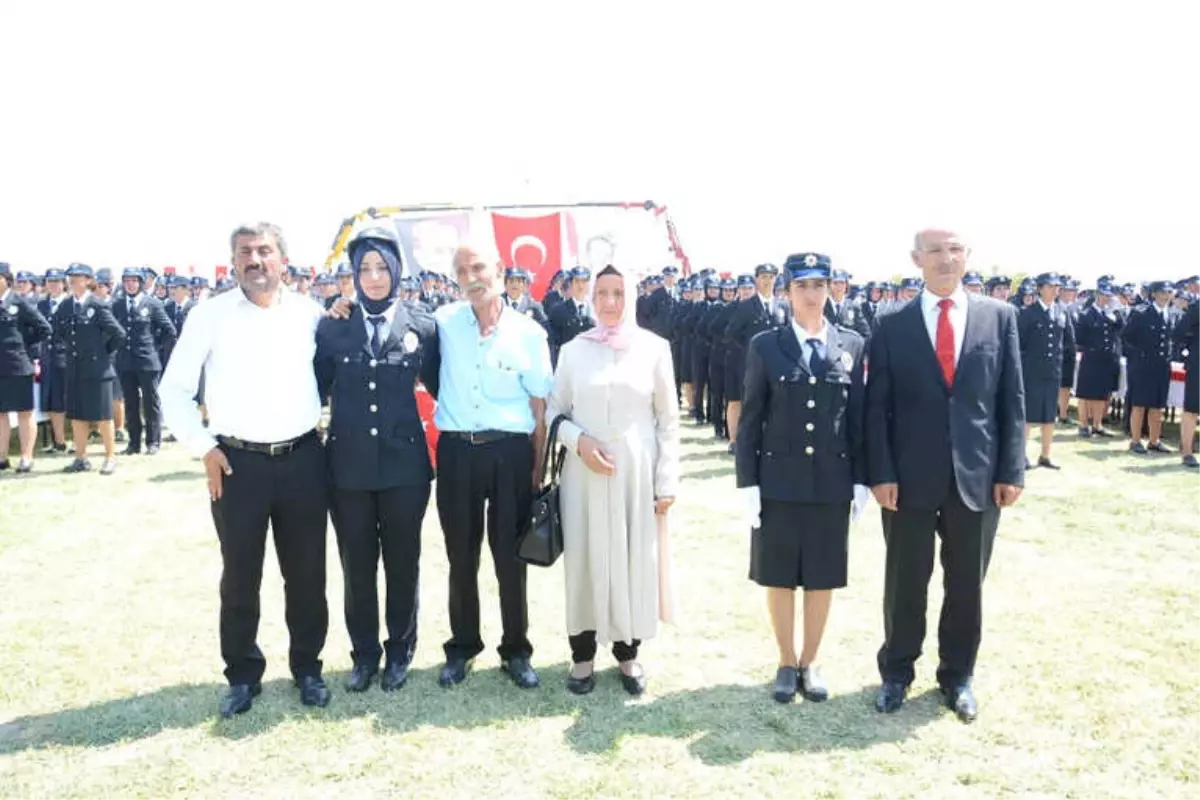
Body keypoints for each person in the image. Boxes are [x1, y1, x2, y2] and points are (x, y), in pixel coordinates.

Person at [161, 222, 331, 718]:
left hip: (303, 460)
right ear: (233, 262)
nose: (255, 260)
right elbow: (174, 390)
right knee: (240, 576)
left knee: (307, 575)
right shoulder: (208, 316)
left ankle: (308, 667)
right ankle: (241, 674)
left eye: (264, 251)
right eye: (245, 253)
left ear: (283, 259)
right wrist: (203, 447)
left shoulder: (310, 314)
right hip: (236, 465)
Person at [866, 228, 1025, 724]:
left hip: (977, 477)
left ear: (966, 257)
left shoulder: (1000, 317)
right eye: (934, 250)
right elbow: (877, 408)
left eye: (954, 249)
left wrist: (1011, 469)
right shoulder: (890, 322)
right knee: (905, 580)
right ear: (916, 259)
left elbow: (1010, 401)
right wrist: (881, 472)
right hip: (908, 478)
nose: (945, 258)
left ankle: (957, 675)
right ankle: (896, 672)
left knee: (966, 585)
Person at [736, 253, 868, 704]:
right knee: (778, 576)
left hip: (831, 482)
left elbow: (858, 418)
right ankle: (786, 660)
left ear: (831, 288)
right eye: (802, 287)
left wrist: (861, 480)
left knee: (821, 576)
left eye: (819, 285)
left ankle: (811, 660)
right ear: (787, 292)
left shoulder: (851, 344)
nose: (812, 295)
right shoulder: (766, 346)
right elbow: (751, 418)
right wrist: (748, 483)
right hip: (778, 481)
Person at [315, 226, 440, 692]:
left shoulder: (423, 326)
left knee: (403, 563)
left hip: (406, 470)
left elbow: (444, 390)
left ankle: (400, 651)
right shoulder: (332, 325)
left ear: (396, 271)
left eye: (381, 267)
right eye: (363, 268)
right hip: (347, 470)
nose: (372, 277)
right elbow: (311, 390)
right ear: (352, 274)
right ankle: (364, 654)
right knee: (357, 566)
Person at [547, 264, 679, 696]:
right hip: (582, 474)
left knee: (631, 557)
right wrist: (578, 441)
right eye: (602, 292)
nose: (609, 302)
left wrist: (666, 481)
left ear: (632, 296)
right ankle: (582, 654)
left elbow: (668, 420)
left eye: (618, 293)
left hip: (635, 474)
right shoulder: (572, 350)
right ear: (590, 296)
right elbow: (553, 411)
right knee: (584, 559)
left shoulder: (654, 348)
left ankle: (628, 653)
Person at [428, 240, 553, 690]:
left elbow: (540, 406)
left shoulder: (529, 333)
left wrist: (537, 467)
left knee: (509, 556)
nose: (470, 277)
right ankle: (462, 646)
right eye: (461, 271)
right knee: (461, 555)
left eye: (478, 267)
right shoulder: (442, 323)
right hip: (458, 452)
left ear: (499, 270)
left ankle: (516, 649)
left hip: (510, 454)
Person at [55, 264, 127, 475]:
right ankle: (81, 457)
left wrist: (103, 353)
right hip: (75, 368)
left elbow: (118, 334)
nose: (73, 281)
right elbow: (59, 331)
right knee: (78, 416)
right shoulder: (66, 306)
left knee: (103, 416)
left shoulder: (97, 304)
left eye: (78, 277)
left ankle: (110, 457)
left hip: (98, 370)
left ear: (88, 280)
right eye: (71, 277)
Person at [112, 267, 176, 455]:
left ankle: (153, 441)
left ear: (140, 283)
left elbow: (169, 330)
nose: (130, 284)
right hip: (125, 362)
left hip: (147, 361)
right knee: (131, 403)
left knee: (151, 402)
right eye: (127, 281)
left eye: (134, 281)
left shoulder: (152, 303)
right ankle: (134, 443)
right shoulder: (117, 305)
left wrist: (155, 348)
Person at [1017, 272, 1074, 469]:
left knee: (1049, 415)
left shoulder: (1061, 312)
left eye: (1057, 286)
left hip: (1052, 372)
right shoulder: (1027, 313)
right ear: (1040, 288)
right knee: (1028, 416)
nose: (1054, 290)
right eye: (1050, 286)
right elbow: (1019, 345)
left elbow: (1068, 343)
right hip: (1031, 372)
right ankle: (1021, 456)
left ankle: (1045, 455)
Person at [0, 262, 53, 472]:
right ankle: (2, 457)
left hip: (18, 365)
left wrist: (22, 344)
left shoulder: (19, 302)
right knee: (1, 414)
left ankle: (26, 456)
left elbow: (44, 328)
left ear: (6, 279)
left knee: (24, 412)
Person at [1122, 281, 1176, 454]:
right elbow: (1126, 337)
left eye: (1168, 292)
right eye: (1162, 292)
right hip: (1143, 366)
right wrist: (1138, 358)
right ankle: (1135, 440)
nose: (1166, 296)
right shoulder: (1141, 313)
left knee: (1157, 405)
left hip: (1162, 367)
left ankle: (1154, 440)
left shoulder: (1171, 314)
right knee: (1139, 404)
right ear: (1153, 294)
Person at [1073, 280, 1123, 438]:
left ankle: (1097, 424)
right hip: (1092, 357)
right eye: (1103, 295)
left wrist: (1115, 314)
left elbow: (1122, 328)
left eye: (1108, 296)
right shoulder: (1086, 314)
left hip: (1107, 359)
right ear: (1096, 295)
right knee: (1086, 393)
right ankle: (1083, 424)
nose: (1106, 299)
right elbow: (1079, 338)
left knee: (1102, 394)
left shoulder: (1112, 314)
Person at [38, 268, 70, 453]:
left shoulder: (70, 303)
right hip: (47, 358)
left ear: (63, 283)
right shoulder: (42, 305)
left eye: (57, 281)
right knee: (50, 400)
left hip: (66, 357)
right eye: (50, 281)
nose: (53, 285)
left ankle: (71, 438)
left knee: (67, 400)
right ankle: (59, 442)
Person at [547, 266, 594, 367]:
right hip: (568, 366)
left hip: (591, 367)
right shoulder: (558, 311)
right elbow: (553, 344)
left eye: (584, 282)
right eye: (577, 282)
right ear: (571, 284)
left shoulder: (596, 311)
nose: (580, 286)